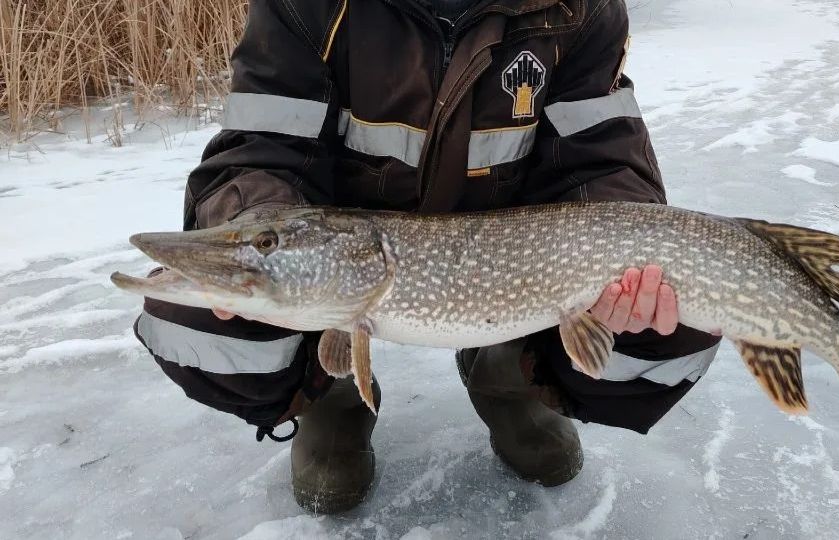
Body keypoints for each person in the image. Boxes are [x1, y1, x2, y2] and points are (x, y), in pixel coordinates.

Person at [132, 0, 722, 514]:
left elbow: (602, 160)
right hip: (346, 240)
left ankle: (512, 377)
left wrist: (623, 273)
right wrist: (250, 228)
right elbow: (262, 148)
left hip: (518, 263)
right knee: (195, 318)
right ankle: (326, 396)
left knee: (678, 326)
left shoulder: (576, 7)